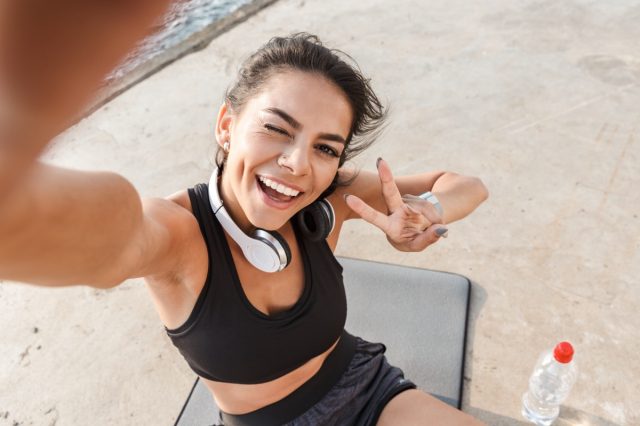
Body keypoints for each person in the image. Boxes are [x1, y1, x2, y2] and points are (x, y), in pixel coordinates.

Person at [0, 7, 488, 424]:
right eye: (277, 129)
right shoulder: (173, 234)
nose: (298, 164)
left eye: (324, 147)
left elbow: (468, 185)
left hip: (368, 390)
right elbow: (82, 227)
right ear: (227, 125)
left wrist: (428, 211)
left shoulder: (330, 198)